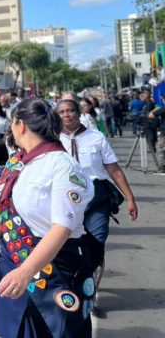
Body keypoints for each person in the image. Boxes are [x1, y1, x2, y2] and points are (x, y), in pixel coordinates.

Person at [0, 98, 95, 338]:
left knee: (59, 330)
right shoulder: (16, 162)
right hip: (13, 265)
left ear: (20, 125)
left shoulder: (63, 165)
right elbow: (3, 210)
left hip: (53, 269)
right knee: (17, 330)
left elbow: (62, 227)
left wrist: (26, 272)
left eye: (11, 123)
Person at [56, 98, 138, 314]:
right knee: (66, 248)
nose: (67, 115)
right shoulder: (52, 140)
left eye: (70, 111)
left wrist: (130, 197)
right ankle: (71, 290)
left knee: (96, 245)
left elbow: (114, 169)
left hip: (96, 198)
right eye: (62, 112)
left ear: (78, 113)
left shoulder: (96, 137)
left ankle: (88, 294)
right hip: (65, 200)